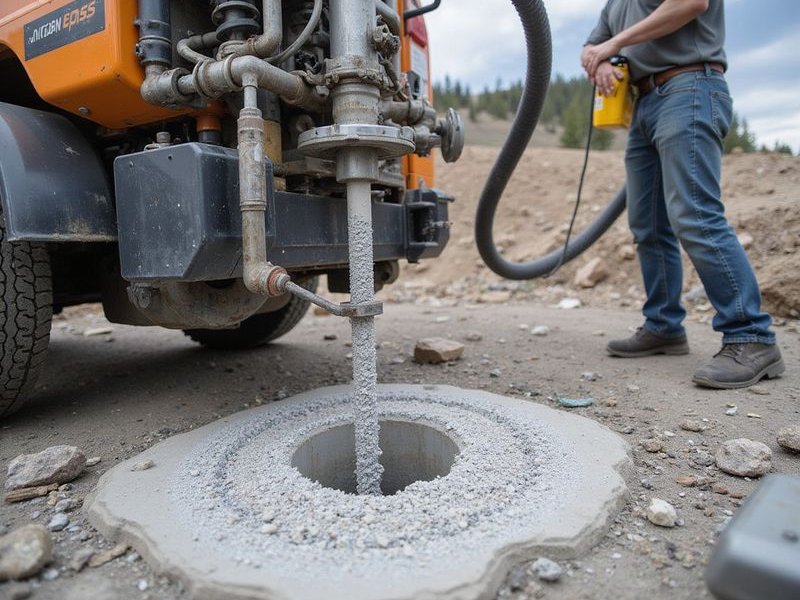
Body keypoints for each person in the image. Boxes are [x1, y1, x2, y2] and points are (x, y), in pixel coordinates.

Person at [581, 0, 783, 389]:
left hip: (689, 87)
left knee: (695, 214)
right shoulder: (614, 4)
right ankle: (664, 326)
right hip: (643, 104)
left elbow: (692, 3)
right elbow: (593, 45)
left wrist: (614, 45)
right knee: (648, 225)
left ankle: (751, 336)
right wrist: (601, 58)